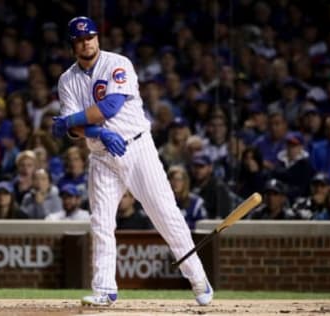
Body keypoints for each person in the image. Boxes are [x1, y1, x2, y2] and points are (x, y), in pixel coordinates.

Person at [52, 16, 212, 306]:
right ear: (72, 44)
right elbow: (75, 130)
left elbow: (110, 107)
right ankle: (104, 289)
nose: (86, 42)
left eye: (90, 36)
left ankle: (198, 277)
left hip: (136, 148)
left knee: (166, 215)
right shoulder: (67, 79)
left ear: (97, 37)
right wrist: (88, 129)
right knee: (100, 222)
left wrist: (68, 121)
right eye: (79, 39)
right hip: (101, 156)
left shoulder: (118, 63)